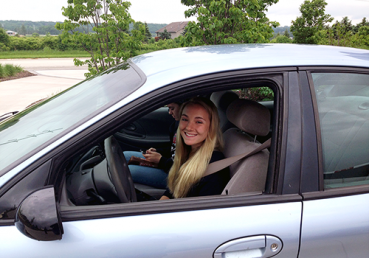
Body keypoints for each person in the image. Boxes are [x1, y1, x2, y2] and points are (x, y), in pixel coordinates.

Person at [160, 97, 230, 200]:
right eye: (184, 119)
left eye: (199, 122)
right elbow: (172, 192)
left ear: (211, 127)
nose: (189, 127)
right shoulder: (189, 152)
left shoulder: (214, 168)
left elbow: (203, 212)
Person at [124, 102, 182, 189]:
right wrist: (157, 151)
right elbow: (173, 148)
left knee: (129, 171)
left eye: (172, 108)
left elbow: (183, 167)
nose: (169, 112)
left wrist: (161, 160)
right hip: (168, 164)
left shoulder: (190, 134)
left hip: (175, 175)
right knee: (124, 155)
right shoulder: (176, 124)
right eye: (168, 108)